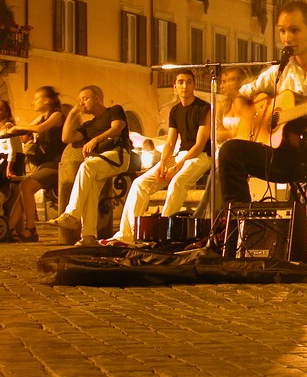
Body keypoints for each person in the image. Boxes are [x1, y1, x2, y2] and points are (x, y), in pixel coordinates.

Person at [218, 1, 307, 271]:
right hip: (283, 155)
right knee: (230, 151)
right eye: (282, 31)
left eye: (294, 30)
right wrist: (257, 116)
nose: (287, 38)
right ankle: (238, 233)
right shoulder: (279, 72)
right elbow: (243, 95)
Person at [111, 69, 211, 243]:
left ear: (194, 85)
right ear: (175, 86)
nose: (184, 86)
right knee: (139, 184)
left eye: (188, 82)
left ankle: (164, 235)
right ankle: (127, 235)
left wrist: (176, 167)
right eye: (180, 82)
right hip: (181, 155)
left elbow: (200, 144)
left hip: (200, 156)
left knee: (177, 182)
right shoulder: (175, 111)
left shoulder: (204, 108)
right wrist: (163, 164)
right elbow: (171, 143)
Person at [48, 86, 131, 246]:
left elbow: (117, 128)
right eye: (79, 100)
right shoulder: (89, 125)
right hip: (99, 161)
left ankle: (72, 215)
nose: (82, 103)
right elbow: (67, 138)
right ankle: (88, 236)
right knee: (91, 190)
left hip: (117, 155)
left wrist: (96, 140)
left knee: (86, 167)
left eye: (85, 98)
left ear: (98, 98)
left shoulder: (114, 110)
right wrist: (72, 113)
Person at [4, 86, 66, 242]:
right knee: (23, 192)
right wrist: (10, 131)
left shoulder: (57, 115)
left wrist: (17, 127)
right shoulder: (42, 116)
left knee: (26, 186)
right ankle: (8, 229)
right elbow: (26, 132)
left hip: (56, 163)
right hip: (45, 164)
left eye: (36, 98)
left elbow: (39, 129)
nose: (33, 103)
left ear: (47, 100)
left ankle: (30, 229)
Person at [193, 66, 248, 219]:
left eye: (231, 79)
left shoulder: (248, 103)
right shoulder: (222, 107)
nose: (226, 84)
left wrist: (230, 134)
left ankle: (206, 217)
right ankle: (208, 217)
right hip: (224, 152)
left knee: (217, 176)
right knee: (215, 175)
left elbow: (249, 130)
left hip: (243, 153)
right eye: (224, 81)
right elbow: (216, 135)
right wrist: (234, 132)